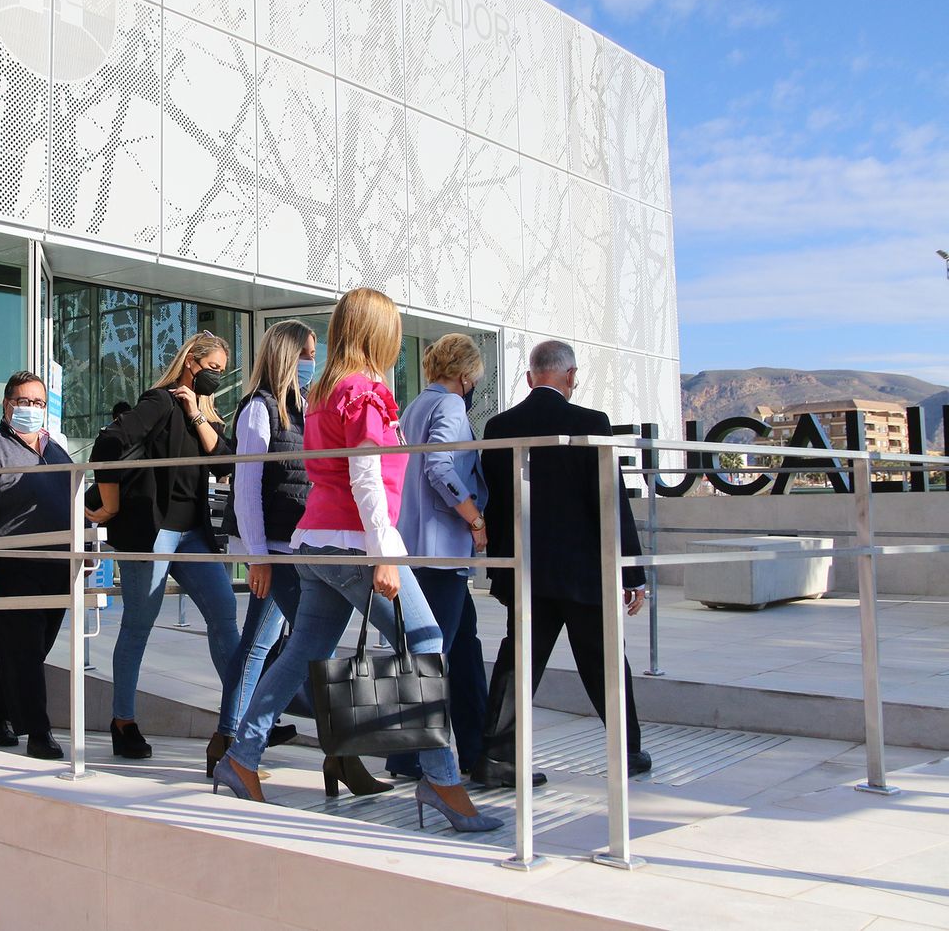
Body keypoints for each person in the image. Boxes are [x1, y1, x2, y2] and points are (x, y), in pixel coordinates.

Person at [212, 288, 501, 833]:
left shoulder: (322, 391)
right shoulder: (364, 392)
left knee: (303, 651)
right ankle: (441, 779)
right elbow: (367, 478)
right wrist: (384, 555)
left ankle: (241, 757)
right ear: (378, 333)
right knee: (426, 640)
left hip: (314, 543)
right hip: (353, 543)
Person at [218, 320, 391, 793]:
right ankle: (328, 754)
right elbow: (247, 487)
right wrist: (257, 557)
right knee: (305, 654)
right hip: (276, 551)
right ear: (287, 355)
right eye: (308, 353)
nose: (315, 361)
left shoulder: (303, 408)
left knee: (281, 649)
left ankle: (234, 744)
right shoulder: (260, 410)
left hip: (295, 547)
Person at [472, 339, 652, 787]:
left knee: (518, 662)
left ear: (531, 377)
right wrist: (631, 571)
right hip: (583, 570)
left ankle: (495, 758)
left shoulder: (499, 426)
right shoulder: (591, 424)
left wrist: (499, 566)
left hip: (525, 569)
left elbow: (493, 501)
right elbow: (613, 504)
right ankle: (625, 752)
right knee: (605, 660)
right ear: (571, 376)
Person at [88, 331, 240, 760]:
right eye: (212, 368)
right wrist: (110, 503)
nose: (217, 377)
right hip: (151, 530)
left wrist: (196, 411)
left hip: (192, 533)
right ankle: (123, 721)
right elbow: (108, 443)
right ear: (191, 361)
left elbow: (225, 461)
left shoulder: (201, 411)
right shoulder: (158, 401)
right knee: (139, 623)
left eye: (222, 372)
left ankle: (238, 720)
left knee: (224, 612)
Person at [384, 334, 492, 781]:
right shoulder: (449, 406)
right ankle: (409, 756)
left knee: (462, 647)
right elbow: (440, 467)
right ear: (466, 374)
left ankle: (477, 749)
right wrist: (475, 519)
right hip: (439, 549)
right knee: (435, 652)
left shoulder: (415, 406)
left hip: (417, 544)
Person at [0, 372, 73, 759]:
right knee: (23, 653)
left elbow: (72, 501)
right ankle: (38, 733)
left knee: (33, 651)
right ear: (8, 404)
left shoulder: (55, 449)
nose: (32, 410)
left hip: (57, 568)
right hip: (12, 570)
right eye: (24, 402)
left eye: (39, 403)